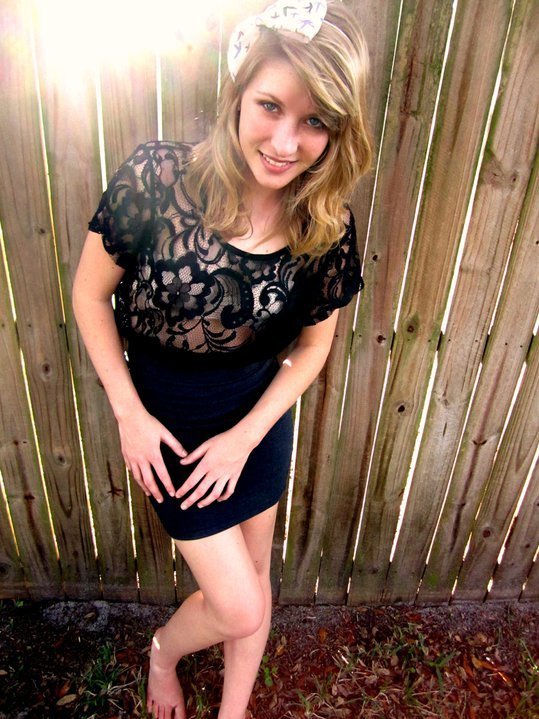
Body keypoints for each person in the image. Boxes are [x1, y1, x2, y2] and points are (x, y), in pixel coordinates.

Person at [72, 1, 372, 716]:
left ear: (337, 131)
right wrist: (128, 414)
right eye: (270, 105)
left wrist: (245, 437)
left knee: (255, 580)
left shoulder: (324, 224)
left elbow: (314, 346)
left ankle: (233, 711)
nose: (284, 142)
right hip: (168, 428)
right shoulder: (158, 178)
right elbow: (88, 296)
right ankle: (163, 652)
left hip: (257, 422)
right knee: (237, 605)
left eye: (314, 121)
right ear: (237, 93)